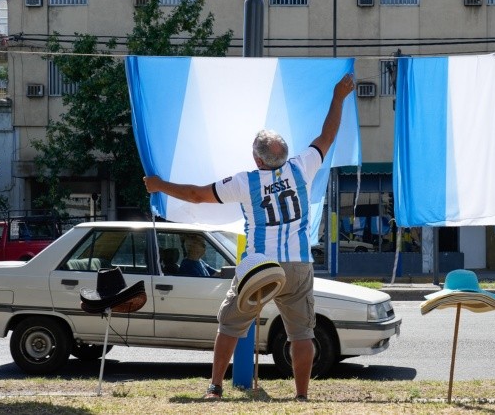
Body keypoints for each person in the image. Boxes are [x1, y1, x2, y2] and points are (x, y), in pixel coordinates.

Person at [144, 73, 355, 401]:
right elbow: (328, 134)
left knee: (230, 324)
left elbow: (197, 195)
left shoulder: (246, 181)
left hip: (261, 264)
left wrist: (160, 185)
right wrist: (338, 97)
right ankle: (301, 396)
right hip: (299, 263)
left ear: (257, 159)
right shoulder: (304, 166)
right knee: (301, 333)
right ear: (283, 154)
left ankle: (215, 388)